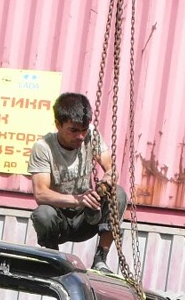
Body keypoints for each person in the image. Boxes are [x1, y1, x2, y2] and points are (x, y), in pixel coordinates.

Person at [28, 91, 127, 271]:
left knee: (118, 193)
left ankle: (100, 260)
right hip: (61, 222)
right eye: (73, 130)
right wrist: (78, 199)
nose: (80, 136)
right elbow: (41, 194)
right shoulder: (43, 148)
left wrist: (106, 182)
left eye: (83, 130)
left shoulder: (91, 137)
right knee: (43, 214)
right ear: (58, 124)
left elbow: (111, 169)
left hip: (87, 219)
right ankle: (53, 259)